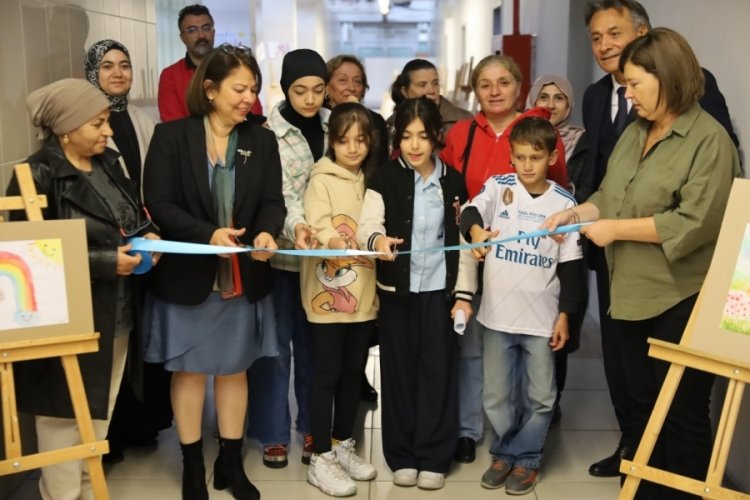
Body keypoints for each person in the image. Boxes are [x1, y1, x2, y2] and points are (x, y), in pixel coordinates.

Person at [545, 28, 740, 498]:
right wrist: (576, 213)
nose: (627, 93)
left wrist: (615, 230)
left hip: (682, 297)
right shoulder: (636, 131)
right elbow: (610, 194)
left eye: (634, 83)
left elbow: (693, 223)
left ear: (667, 77)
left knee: (682, 414)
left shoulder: (709, 141)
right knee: (643, 407)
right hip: (630, 294)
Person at [143, 44, 285, 500]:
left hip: (240, 277)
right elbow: (159, 203)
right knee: (188, 371)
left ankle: (230, 462)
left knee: (233, 370)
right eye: (239, 89)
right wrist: (208, 234)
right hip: (189, 276)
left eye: (254, 89)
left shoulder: (261, 141)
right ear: (209, 89)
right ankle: (191, 465)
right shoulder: (171, 137)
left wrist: (266, 233)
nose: (249, 98)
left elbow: (272, 202)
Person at [7, 78, 159, 500]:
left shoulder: (108, 162)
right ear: (66, 128)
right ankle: (61, 494)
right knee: (61, 416)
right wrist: (107, 262)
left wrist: (148, 235)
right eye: (97, 123)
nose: (108, 131)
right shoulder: (35, 176)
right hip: (69, 316)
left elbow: (129, 215)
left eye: (107, 120)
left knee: (99, 410)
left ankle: (89, 489)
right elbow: (29, 257)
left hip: (118, 310)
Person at [439, 54, 569, 465]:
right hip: (471, 248)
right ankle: (468, 429)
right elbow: (448, 189)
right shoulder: (460, 133)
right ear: (475, 91)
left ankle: (519, 441)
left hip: (526, 260)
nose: (494, 91)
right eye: (485, 84)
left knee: (523, 354)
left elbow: (558, 193)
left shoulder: (537, 131)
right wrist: (472, 231)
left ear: (518, 87)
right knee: (474, 346)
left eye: (504, 83)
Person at [454, 116, 584, 495]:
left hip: (542, 320)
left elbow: (572, 269)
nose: (527, 165)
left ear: (551, 158)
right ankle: (504, 453)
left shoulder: (565, 205)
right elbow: (471, 213)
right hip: (497, 317)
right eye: (521, 157)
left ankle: (526, 458)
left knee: (541, 397)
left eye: (536, 158)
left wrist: (566, 316)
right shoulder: (499, 188)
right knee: (496, 396)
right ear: (511, 157)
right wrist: (476, 232)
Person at [357, 97, 468, 491]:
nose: (415, 145)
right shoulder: (383, 179)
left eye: (423, 135)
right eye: (406, 137)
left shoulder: (454, 181)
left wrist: (464, 295)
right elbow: (367, 226)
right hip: (397, 292)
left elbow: (465, 241)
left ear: (437, 135)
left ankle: (434, 456)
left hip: (440, 292)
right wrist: (378, 241)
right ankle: (402, 455)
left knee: (438, 371)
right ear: (396, 139)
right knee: (399, 372)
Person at [84, 38, 174, 463]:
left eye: (124, 65)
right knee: (114, 342)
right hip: (106, 246)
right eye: (107, 66)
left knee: (141, 337)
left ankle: (142, 424)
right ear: (91, 73)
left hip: (143, 238)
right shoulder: (82, 123)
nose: (118, 73)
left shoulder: (143, 119)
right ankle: (110, 436)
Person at [246, 48, 330, 470]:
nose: (310, 99)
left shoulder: (337, 127)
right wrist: (297, 227)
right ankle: (273, 433)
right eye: (300, 90)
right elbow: (279, 195)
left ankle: (313, 426)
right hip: (281, 258)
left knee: (316, 349)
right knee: (275, 349)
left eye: (318, 89)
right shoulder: (267, 134)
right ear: (284, 89)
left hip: (325, 264)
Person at [301, 102, 379, 497]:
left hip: (365, 292)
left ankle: (342, 444)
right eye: (345, 140)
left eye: (361, 140)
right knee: (327, 373)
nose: (353, 148)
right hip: (326, 296)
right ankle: (320, 457)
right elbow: (317, 222)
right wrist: (332, 239)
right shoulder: (321, 179)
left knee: (353, 371)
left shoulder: (372, 180)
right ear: (332, 141)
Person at [524, 74, 589, 428]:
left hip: (563, 240)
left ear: (569, 104)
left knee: (557, 323)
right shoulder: (521, 135)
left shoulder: (582, 140)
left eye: (559, 98)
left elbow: (585, 189)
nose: (550, 104)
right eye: (543, 97)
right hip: (524, 243)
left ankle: (551, 402)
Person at [157, 4, 262, 122]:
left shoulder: (235, 68)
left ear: (213, 32)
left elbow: (255, 115)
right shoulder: (170, 76)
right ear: (182, 37)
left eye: (206, 28)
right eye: (192, 30)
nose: (201, 35)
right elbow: (173, 125)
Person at [385, 59, 472, 146]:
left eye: (435, 83)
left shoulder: (464, 120)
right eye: (422, 85)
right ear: (405, 91)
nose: (431, 91)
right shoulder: (392, 125)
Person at [325, 54, 389, 169]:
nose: (351, 88)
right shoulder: (319, 119)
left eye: (357, 81)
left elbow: (382, 166)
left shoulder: (375, 121)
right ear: (326, 86)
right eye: (343, 80)